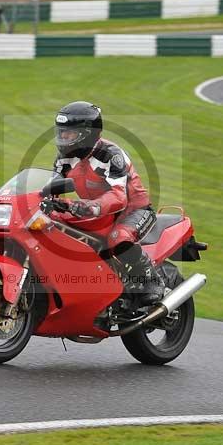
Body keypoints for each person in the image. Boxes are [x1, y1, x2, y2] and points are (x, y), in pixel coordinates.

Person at [51, 101, 165, 307]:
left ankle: (151, 281)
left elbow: (118, 196)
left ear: (88, 133)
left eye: (70, 134)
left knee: (118, 238)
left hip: (133, 210)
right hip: (96, 212)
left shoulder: (110, 155)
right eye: (62, 133)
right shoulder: (64, 159)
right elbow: (51, 187)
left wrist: (90, 206)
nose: (63, 138)